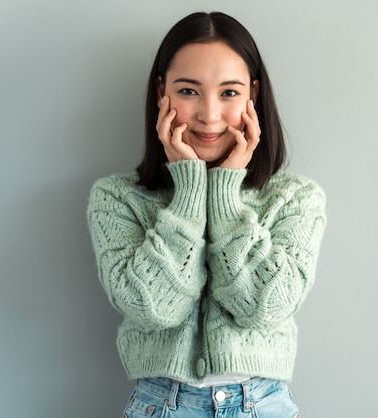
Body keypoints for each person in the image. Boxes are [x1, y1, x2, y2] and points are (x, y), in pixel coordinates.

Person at [87, 11, 326, 417]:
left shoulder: (295, 199)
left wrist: (226, 198)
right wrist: (190, 193)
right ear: (162, 92)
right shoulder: (117, 198)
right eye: (189, 91)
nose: (209, 115)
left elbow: (263, 306)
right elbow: (153, 308)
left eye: (229, 93)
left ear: (253, 94)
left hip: (262, 405)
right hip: (161, 405)